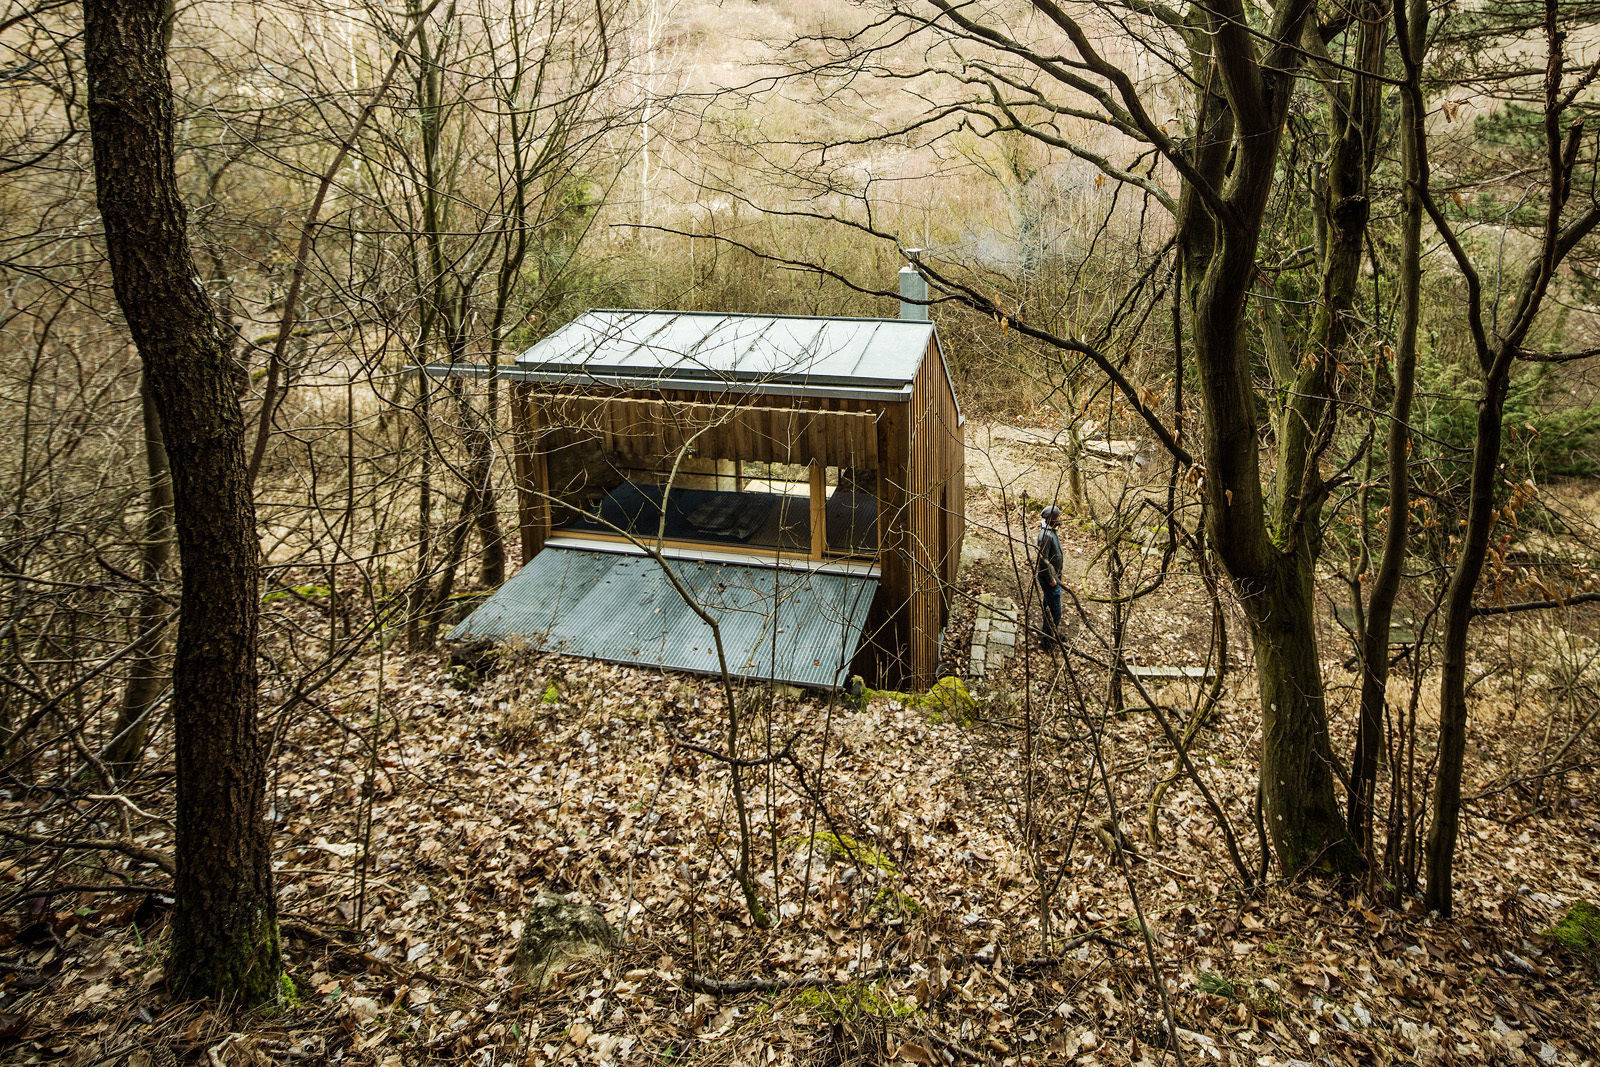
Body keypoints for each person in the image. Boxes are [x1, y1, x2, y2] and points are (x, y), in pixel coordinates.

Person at [1035, 504, 1064, 649]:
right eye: (1057, 518)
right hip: (1049, 579)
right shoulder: (1045, 535)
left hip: (1055, 576)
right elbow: (1042, 560)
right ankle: (1046, 642)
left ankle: (1051, 633)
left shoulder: (1051, 531)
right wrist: (1051, 579)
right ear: (1051, 519)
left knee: (1049, 605)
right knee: (1055, 611)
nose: (1059, 520)